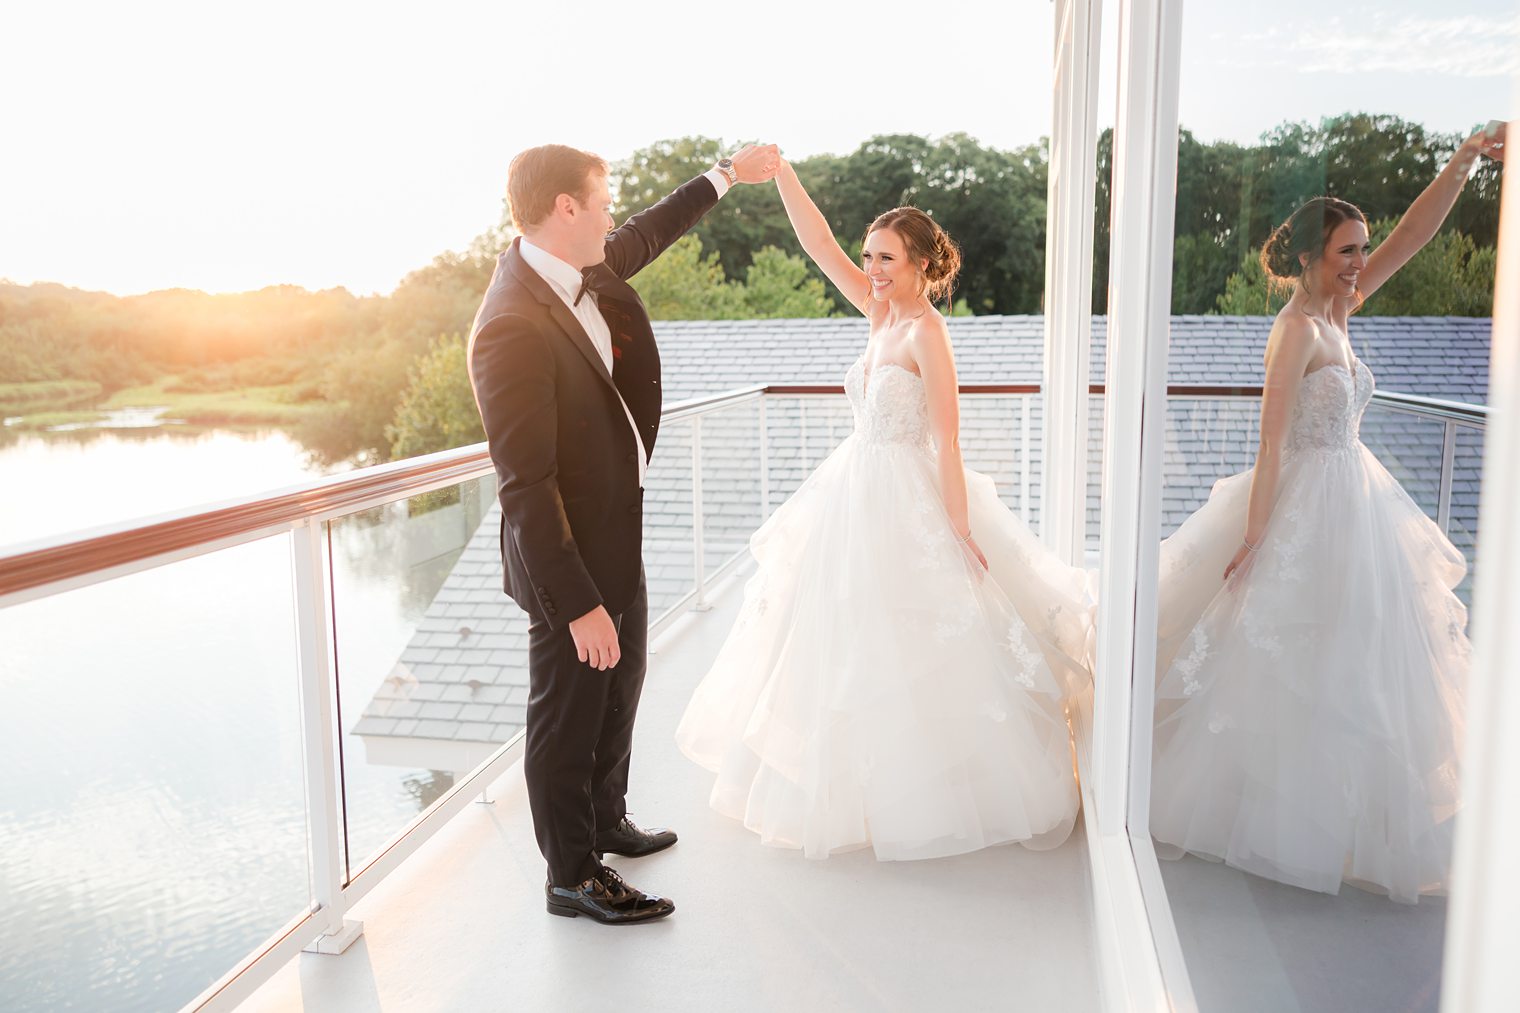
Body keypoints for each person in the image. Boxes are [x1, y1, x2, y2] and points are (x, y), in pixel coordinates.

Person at [675, 160, 1092, 861]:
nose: (871, 268)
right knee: (839, 640)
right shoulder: (878, 312)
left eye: (886, 259)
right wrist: (779, 173)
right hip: (851, 488)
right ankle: (853, 786)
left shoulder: (927, 332)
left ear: (923, 264)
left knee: (915, 639)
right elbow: (817, 246)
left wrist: (958, 530)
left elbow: (949, 438)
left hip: (905, 495)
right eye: (869, 256)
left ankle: (926, 785)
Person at [1149, 123, 1506, 902]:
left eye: (1360, 250)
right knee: (1287, 664)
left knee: (1360, 665)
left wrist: (1464, 163)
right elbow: (1270, 445)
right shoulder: (1296, 330)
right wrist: (1252, 540)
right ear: (1312, 257)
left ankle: (1347, 821)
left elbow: (1413, 235)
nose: (1359, 263)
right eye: (1347, 251)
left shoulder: (1343, 309)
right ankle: (1278, 820)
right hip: (1307, 504)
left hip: (1359, 501)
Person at [468, 141, 779, 924]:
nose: (612, 216)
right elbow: (527, 488)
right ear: (565, 208)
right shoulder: (507, 324)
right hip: (561, 559)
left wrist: (724, 175)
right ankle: (571, 874)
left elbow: (651, 230)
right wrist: (576, 605)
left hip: (616, 533)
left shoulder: (587, 266)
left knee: (622, 680)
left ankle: (607, 819)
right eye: (601, 202)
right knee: (567, 711)